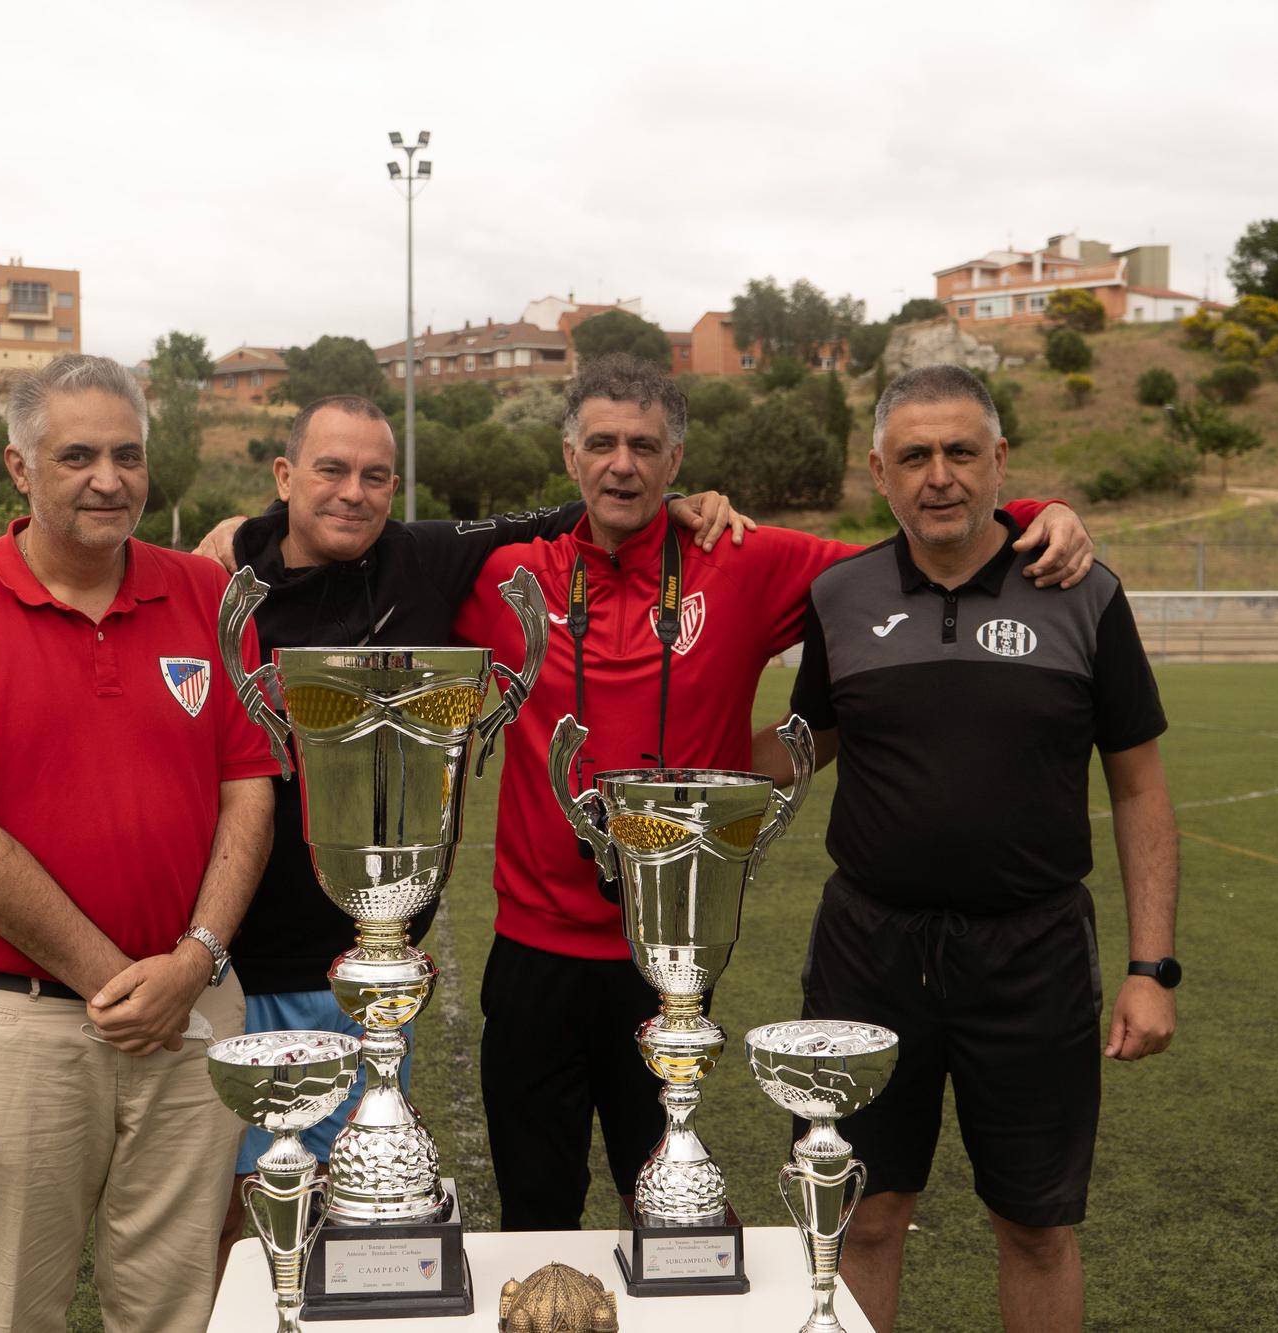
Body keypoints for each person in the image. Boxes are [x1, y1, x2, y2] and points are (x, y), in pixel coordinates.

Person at [451, 354, 1097, 1232]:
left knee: (668, 1211)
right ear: (570, 458)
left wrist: (1030, 511)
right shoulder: (506, 578)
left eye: (644, 445)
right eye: (601, 443)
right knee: (533, 1206)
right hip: (531, 947)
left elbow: (914, 543)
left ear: (677, 463)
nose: (622, 464)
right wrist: (248, 542)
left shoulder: (737, 559)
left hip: (673, 955)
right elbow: (367, 558)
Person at [189, 394, 750, 1264]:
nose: (353, 492)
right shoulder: (218, 581)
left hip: (368, 968)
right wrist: (235, 530)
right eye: (330, 470)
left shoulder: (424, 557)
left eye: (376, 475)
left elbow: (575, 505)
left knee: (353, 1222)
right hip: (227, 963)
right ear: (283, 477)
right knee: (227, 1221)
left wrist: (682, 500)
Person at [0, 354, 281, 1333]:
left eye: (128, 455)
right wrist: (118, 982)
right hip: (24, 1029)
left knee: (179, 1308)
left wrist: (192, 965)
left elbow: (250, 791)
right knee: (12, 1309)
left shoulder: (209, 596)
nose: (109, 478)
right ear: (18, 466)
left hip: (191, 1015)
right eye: (78, 455)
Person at [779, 364, 1178, 1333]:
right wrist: (657, 782)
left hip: (1031, 952)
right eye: (913, 455)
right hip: (867, 953)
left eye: (961, 451)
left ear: (999, 460)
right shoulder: (839, 596)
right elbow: (802, 749)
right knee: (860, 1218)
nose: (939, 474)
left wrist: (1149, 967)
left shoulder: (1084, 593)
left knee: (1034, 1226)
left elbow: (1138, 785)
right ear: (879, 471)